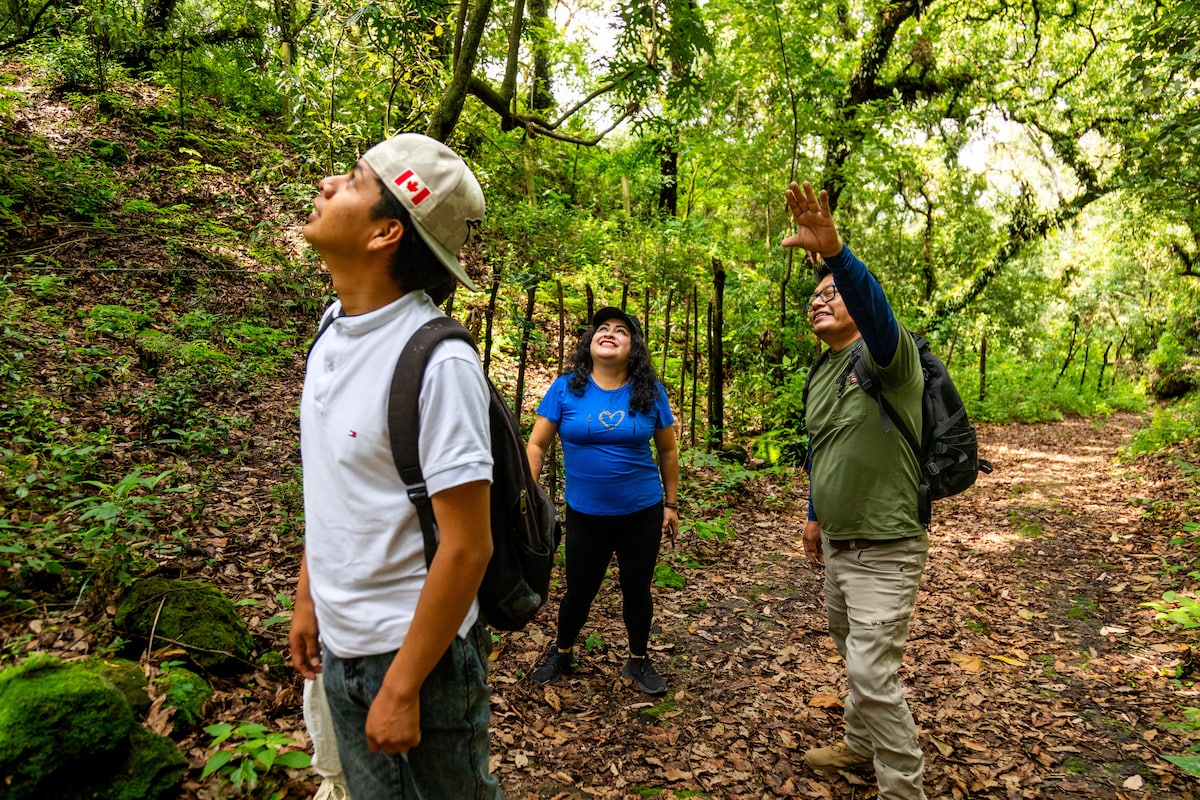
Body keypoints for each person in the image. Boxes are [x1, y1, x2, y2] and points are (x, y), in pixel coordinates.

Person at [288, 132, 503, 800]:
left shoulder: (440, 364)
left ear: (386, 232)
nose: (327, 185)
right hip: (340, 644)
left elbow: (468, 546)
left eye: (353, 181)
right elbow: (337, 485)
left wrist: (404, 686)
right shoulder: (333, 325)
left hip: (417, 660)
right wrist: (309, 597)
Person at [785, 180, 928, 800]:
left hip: (886, 544)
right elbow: (824, 446)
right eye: (814, 296)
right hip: (838, 543)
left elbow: (876, 310)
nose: (820, 301)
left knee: (872, 672)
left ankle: (903, 788)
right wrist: (815, 513)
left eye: (832, 293)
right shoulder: (821, 370)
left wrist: (836, 254)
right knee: (853, 652)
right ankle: (860, 744)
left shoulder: (886, 357)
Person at [525, 307, 680, 696]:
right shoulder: (566, 388)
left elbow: (667, 451)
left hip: (641, 512)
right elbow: (537, 445)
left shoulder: (650, 392)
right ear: (590, 341)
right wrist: (527, 495)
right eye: (603, 328)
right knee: (579, 589)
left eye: (621, 330)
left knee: (636, 588)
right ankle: (562, 653)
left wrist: (672, 504)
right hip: (585, 514)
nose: (609, 333)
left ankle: (638, 660)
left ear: (634, 347)